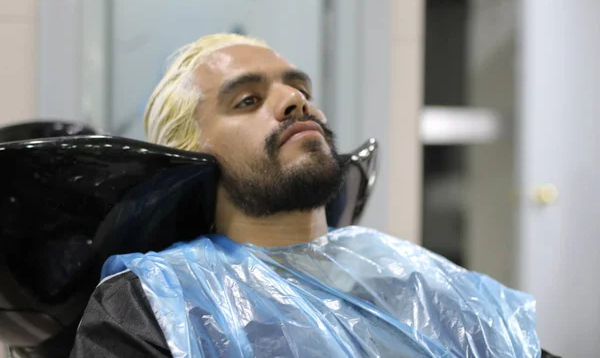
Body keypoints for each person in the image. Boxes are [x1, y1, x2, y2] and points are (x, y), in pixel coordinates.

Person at [70, 34, 554, 357]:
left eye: (299, 88)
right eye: (248, 100)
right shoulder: (153, 304)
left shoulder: (415, 280)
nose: (296, 101)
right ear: (192, 154)